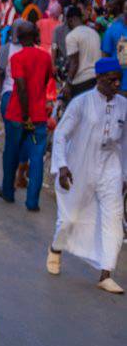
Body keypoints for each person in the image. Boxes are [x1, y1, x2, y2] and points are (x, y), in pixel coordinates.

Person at [47, 58, 127, 294]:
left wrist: (124, 174)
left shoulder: (124, 105)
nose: (116, 84)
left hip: (110, 167)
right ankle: (56, 248)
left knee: (114, 218)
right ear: (98, 78)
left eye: (119, 80)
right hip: (79, 166)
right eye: (112, 79)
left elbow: (125, 142)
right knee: (70, 218)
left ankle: (106, 273)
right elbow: (61, 134)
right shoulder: (81, 103)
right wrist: (61, 166)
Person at [0, 21, 54, 211]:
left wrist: (25, 114)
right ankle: (32, 202)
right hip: (39, 115)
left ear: (18, 38)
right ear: (35, 36)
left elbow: (20, 87)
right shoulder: (45, 57)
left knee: (11, 153)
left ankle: (8, 191)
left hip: (18, 114)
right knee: (36, 158)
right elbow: (46, 79)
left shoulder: (17, 57)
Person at [63, 5, 100, 102]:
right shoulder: (94, 33)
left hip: (81, 82)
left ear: (71, 20)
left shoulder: (71, 36)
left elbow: (74, 62)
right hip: (97, 79)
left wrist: (68, 83)